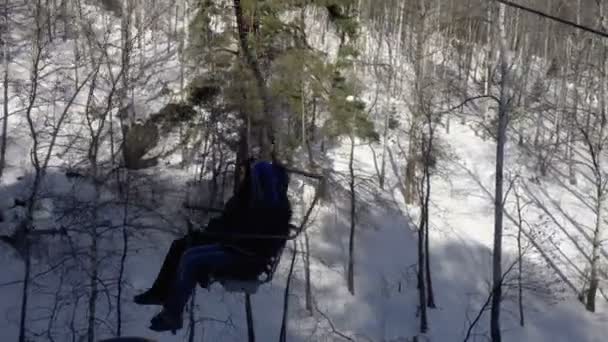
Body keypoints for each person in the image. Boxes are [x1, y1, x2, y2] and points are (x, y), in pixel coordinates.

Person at [134, 160, 292, 332]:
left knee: (191, 259)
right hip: (234, 247)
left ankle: (172, 314)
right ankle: (160, 293)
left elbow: (261, 241)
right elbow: (233, 219)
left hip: (249, 259)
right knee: (181, 246)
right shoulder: (251, 200)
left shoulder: (278, 209)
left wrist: (225, 236)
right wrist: (216, 232)